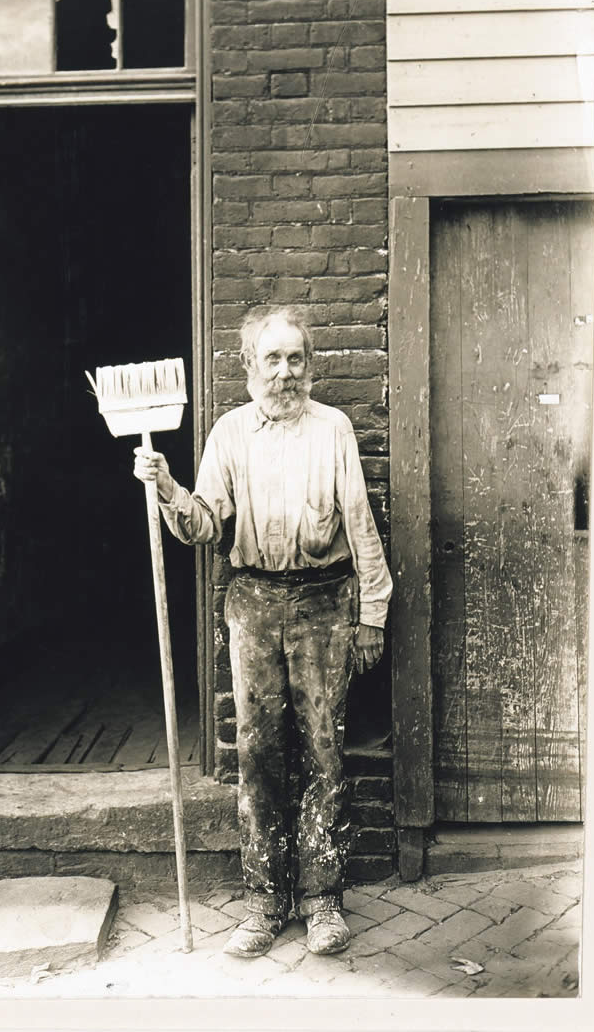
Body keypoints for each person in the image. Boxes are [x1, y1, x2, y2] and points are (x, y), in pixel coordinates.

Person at [133, 305, 393, 958]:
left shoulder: (332, 429)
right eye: (271, 360)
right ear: (249, 366)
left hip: (325, 604)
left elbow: (361, 521)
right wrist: (167, 486)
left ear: (310, 365)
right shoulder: (228, 435)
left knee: (326, 751)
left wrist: (372, 613)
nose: (285, 373)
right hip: (251, 603)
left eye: (295, 358)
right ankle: (265, 901)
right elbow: (205, 526)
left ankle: (323, 899)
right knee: (257, 755)